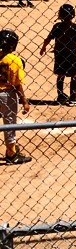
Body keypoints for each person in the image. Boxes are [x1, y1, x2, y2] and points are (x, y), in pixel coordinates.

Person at [40, 4, 76, 105]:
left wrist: (43, 48)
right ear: (73, 15)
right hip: (71, 55)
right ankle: (72, 97)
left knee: (60, 74)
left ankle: (60, 95)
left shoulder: (57, 26)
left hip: (59, 54)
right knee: (74, 74)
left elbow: (48, 39)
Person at [0, 29, 31, 164]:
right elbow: (18, 85)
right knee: (9, 123)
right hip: (8, 95)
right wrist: (24, 101)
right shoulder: (16, 60)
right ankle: (11, 155)